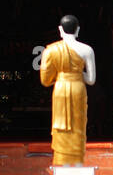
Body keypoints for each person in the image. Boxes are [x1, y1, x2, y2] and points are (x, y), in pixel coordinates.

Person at [39, 14, 96, 165]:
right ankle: (77, 163)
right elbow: (91, 79)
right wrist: (76, 73)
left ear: (60, 30)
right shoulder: (87, 50)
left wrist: (62, 74)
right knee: (78, 125)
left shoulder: (51, 50)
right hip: (78, 88)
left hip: (60, 89)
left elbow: (45, 80)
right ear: (77, 30)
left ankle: (63, 163)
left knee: (61, 126)